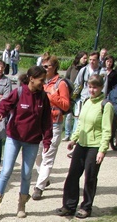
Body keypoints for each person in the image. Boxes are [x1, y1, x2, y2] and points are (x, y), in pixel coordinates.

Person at [0, 66, 52, 219]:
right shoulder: (19, 92)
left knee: (26, 174)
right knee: (6, 171)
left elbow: (46, 121)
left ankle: (22, 204)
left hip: (32, 140)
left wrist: (47, 140)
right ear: (31, 79)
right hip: (14, 137)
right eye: (41, 80)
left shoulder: (43, 97)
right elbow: (4, 105)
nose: (43, 83)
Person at [57, 74, 113, 219]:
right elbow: (81, 123)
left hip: (95, 145)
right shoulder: (87, 101)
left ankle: (86, 207)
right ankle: (69, 206)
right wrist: (73, 139)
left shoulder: (106, 105)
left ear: (101, 88)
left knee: (90, 177)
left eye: (95, 87)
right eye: (90, 87)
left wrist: (102, 150)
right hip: (82, 144)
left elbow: (107, 130)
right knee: (72, 175)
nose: (92, 90)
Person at [32, 56, 71, 200]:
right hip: (39, 124)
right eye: (42, 66)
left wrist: (52, 97)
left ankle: (39, 187)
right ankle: (44, 177)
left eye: (47, 66)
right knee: (37, 155)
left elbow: (66, 105)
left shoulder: (60, 84)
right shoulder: (41, 83)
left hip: (54, 124)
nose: (44, 69)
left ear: (54, 67)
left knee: (47, 156)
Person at [63, 51, 88, 141]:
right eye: (84, 58)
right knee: (68, 115)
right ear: (79, 58)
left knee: (77, 115)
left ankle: (74, 134)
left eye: (86, 58)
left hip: (80, 95)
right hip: (71, 94)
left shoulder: (86, 69)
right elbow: (66, 79)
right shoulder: (72, 68)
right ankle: (67, 134)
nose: (85, 60)